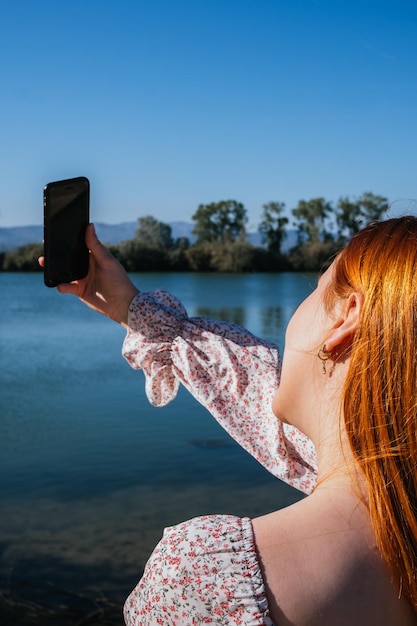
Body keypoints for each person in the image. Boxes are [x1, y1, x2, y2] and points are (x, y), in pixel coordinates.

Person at [39, 217, 417, 625]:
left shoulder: (206, 576)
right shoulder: (400, 502)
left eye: (317, 287)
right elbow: (256, 387)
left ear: (347, 317)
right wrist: (129, 307)